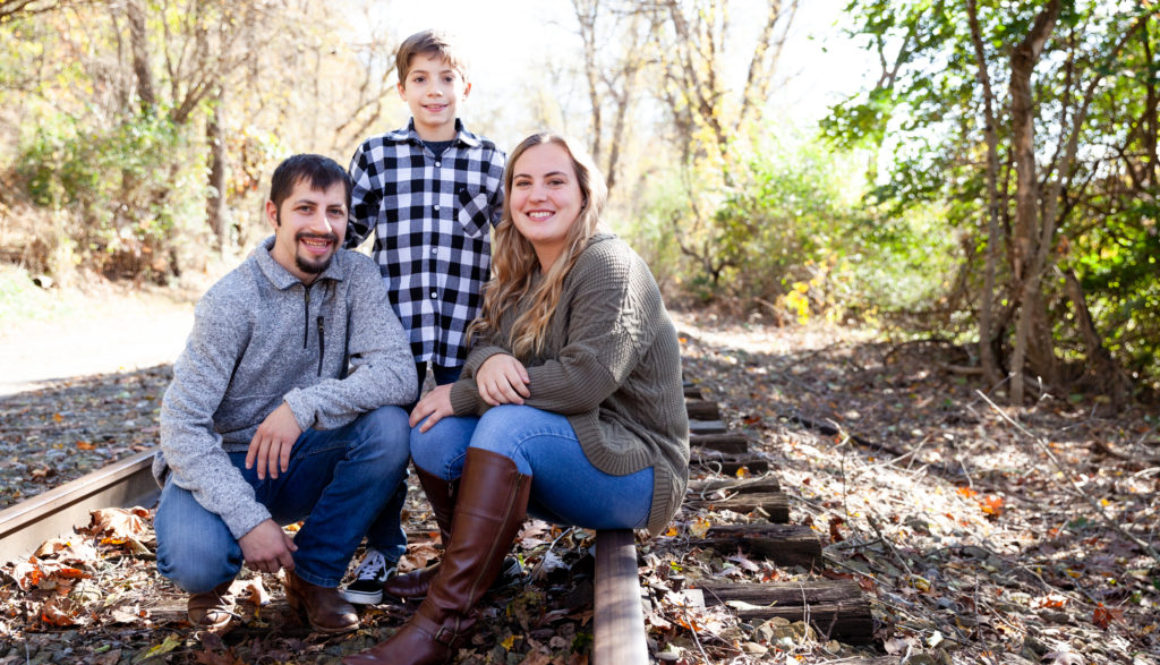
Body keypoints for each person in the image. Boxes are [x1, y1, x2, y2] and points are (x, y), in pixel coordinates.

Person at [343, 133, 690, 665]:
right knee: (432, 431)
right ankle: (485, 566)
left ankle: (441, 625)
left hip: (633, 467)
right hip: (572, 451)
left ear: (583, 193)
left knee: (506, 425)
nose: (537, 195)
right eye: (522, 182)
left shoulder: (609, 266)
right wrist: (488, 364)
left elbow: (582, 383)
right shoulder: (525, 269)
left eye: (555, 181)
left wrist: (466, 392)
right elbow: (481, 346)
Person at [152, 154, 418, 634]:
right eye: (305, 209)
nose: (322, 226)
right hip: (230, 462)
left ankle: (313, 576)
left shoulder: (356, 277)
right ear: (274, 214)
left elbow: (399, 373)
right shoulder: (231, 302)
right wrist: (249, 519)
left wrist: (303, 406)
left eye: (335, 212)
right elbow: (180, 425)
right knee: (195, 560)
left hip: (306, 456)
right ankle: (215, 578)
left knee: (390, 428)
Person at [341, 29, 506, 604]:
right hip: (392, 332)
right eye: (420, 79)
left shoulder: (491, 162)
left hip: (467, 331)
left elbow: (515, 246)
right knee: (384, 439)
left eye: (445, 79)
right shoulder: (377, 156)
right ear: (402, 88)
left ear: (465, 87)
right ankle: (381, 551)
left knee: (462, 443)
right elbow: (344, 238)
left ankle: (470, 554)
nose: (434, 91)